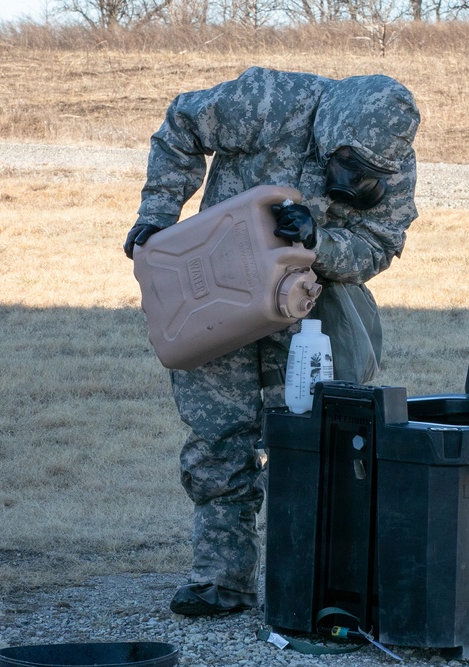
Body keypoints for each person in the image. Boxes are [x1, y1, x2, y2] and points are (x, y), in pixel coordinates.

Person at [123, 67, 421, 616]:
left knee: (309, 442)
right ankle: (221, 580)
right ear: (330, 131)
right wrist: (157, 216)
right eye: (348, 166)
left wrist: (318, 241)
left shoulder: (390, 161)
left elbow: (377, 245)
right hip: (218, 291)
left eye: (370, 173)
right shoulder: (268, 100)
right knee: (217, 437)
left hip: (306, 308)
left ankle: (304, 586)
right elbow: (181, 125)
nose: (356, 180)